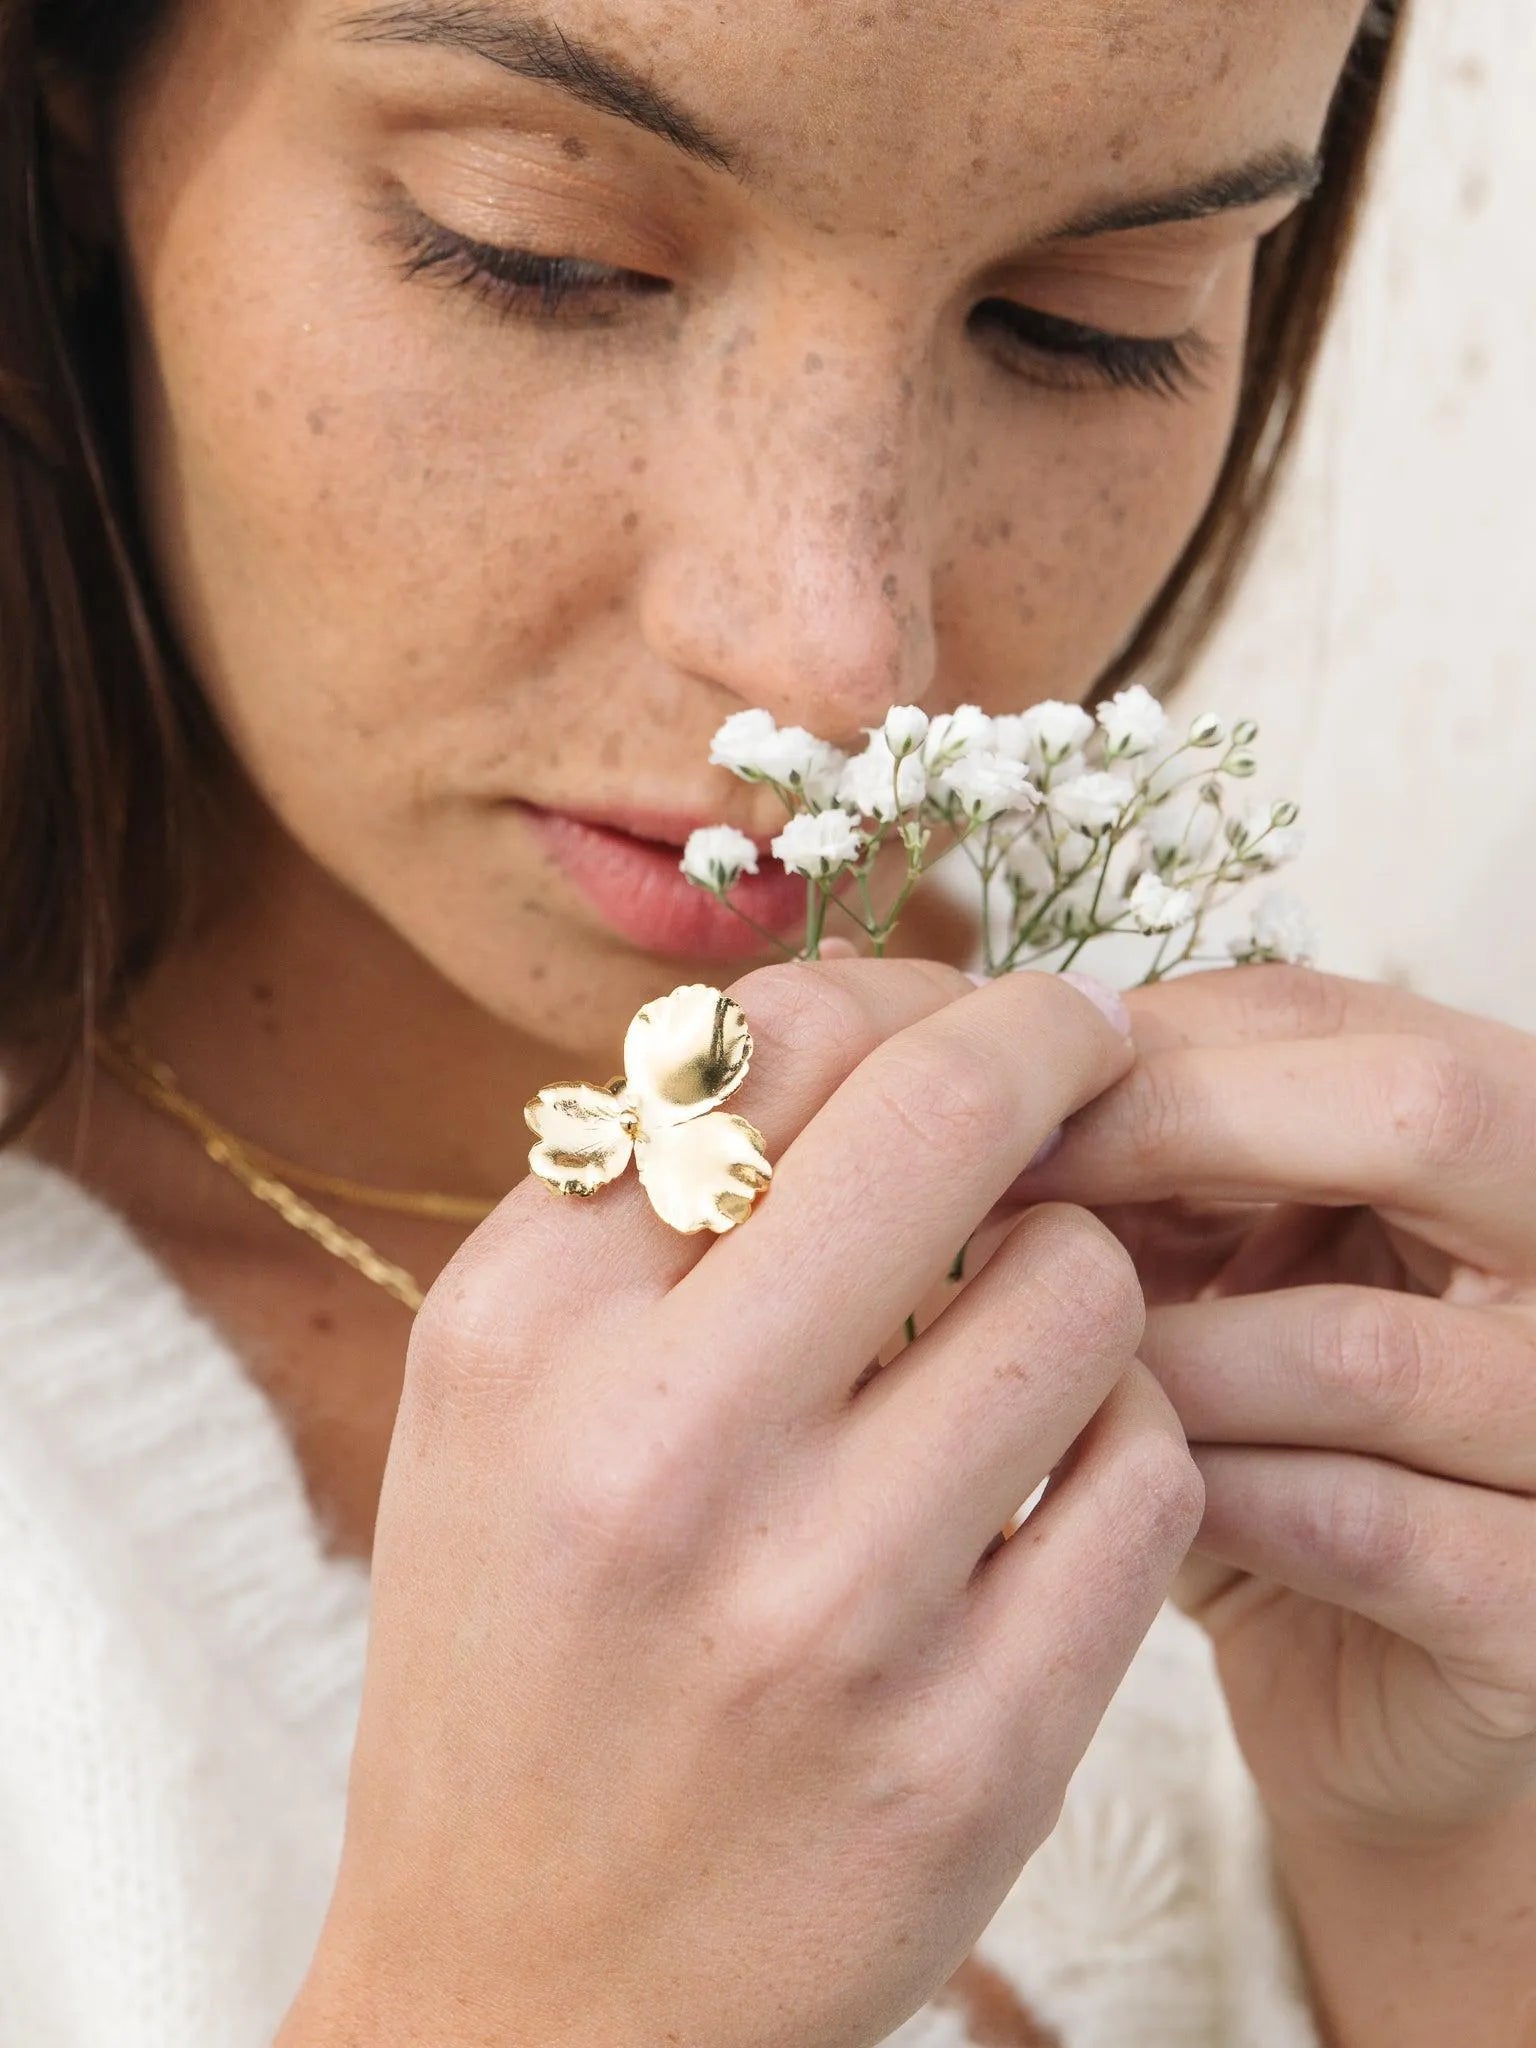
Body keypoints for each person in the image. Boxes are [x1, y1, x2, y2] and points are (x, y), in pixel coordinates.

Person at [2, 0, 1533, 2044]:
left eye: (1089, 320)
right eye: (541, 252)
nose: (833, 651)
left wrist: (1456, 1887)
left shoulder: (1316, 1215)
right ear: (71, 93)